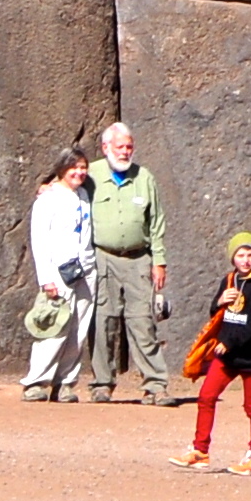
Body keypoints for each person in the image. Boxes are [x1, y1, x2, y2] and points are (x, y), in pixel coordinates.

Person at [86, 121, 174, 405]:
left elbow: (157, 222)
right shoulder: (90, 175)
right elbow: (63, 186)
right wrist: (46, 187)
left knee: (143, 322)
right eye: (120, 147)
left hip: (139, 259)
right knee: (103, 321)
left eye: (129, 147)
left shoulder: (144, 177)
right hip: (103, 258)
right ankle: (102, 384)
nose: (125, 152)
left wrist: (159, 261)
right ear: (105, 147)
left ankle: (156, 386)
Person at [180, 233, 251, 473]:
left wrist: (231, 342)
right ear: (232, 257)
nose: (245, 260)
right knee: (206, 396)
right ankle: (200, 450)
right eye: (240, 255)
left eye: (250, 254)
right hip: (226, 354)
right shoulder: (229, 280)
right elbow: (217, 313)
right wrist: (220, 300)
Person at [24, 150, 94, 401]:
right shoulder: (48, 199)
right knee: (54, 327)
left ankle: (65, 382)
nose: (79, 172)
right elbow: (39, 240)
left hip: (85, 269)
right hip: (57, 271)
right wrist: (46, 278)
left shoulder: (84, 195)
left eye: (83, 167)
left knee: (79, 329)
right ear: (62, 169)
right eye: (74, 167)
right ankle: (37, 381)